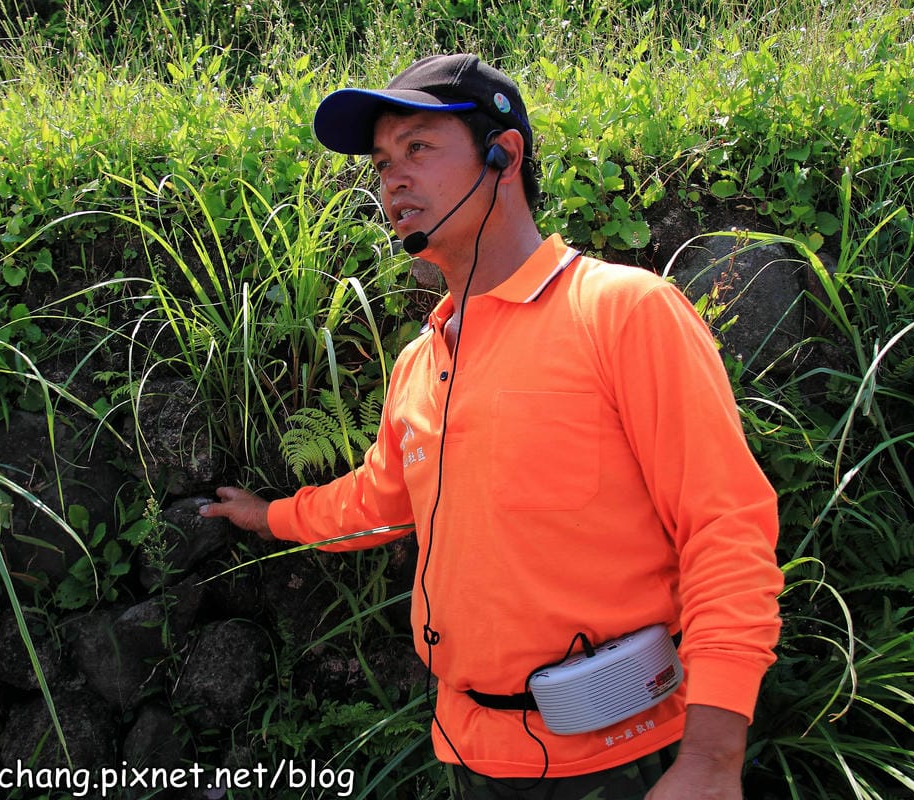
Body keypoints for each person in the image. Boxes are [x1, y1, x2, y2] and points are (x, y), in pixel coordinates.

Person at [199, 53, 783, 800]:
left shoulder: (622, 312)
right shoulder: (420, 361)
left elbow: (726, 527)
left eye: (417, 149)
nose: (391, 181)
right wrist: (268, 516)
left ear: (503, 156)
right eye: (381, 163)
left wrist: (711, 760)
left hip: (628, 760)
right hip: (471, 754)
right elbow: (376, 504)